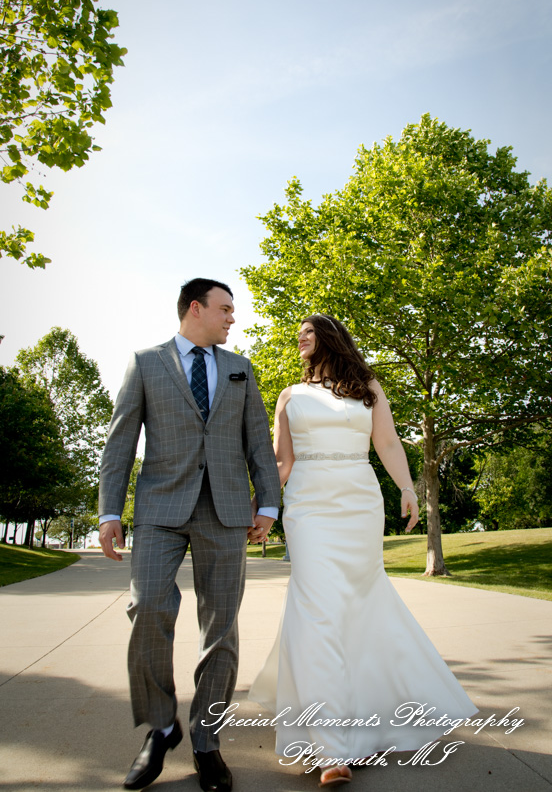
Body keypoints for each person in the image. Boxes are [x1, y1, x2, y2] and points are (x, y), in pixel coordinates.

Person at [249, 314, 477, 787]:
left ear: (330, 338)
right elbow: (282, 460)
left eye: (308, 332)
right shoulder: (289, 396)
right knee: (316, 611)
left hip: (359, 502)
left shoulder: (366, 387)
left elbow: (387, 442)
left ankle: (367, 717)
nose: (300, 338)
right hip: (309, 506)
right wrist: (263, 507)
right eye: (298, 334)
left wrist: (407, 487)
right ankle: (331, 748)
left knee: (357, 608)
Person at [98, 278, 281, 792]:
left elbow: (257, 440)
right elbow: (120, 440)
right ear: (195, 309)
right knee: (147, 607)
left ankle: (206, 740)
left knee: (220, 627)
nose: (232, 318)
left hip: (226, 509)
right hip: (160, 508)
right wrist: (109, 510)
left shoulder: (241, 367)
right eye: (225, 309)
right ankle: (161, 727)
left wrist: (268, 503)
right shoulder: (146, 363)